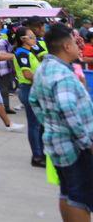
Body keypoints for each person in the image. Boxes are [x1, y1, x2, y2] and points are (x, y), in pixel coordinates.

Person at [29, 24, 93, 222]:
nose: (77, 46)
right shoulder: (62, 75)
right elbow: (67, 110)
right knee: (80, 197)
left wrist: (51, 124)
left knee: (68, 192)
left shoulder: (44, 69)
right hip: (75, 147)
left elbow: (33, 100)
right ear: (66, 46)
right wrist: (87, 143)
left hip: (58, 142)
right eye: (74, 42)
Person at [13, 27, 46, 167]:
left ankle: (41, 153)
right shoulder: (22, 53)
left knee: (40, 124)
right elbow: (27, 74)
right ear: (23, 39)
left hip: (34, 89)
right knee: (34, 125)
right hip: (28, 89)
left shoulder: (30, 52)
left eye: (34, 36)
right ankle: (37, 156)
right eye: (31, 37)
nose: (34, 39)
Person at [0, 27, 18, 113]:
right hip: (4, 67)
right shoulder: (4, 41)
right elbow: (10, 50)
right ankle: (6, 107)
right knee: (4, 88)